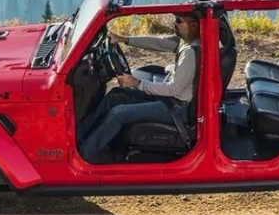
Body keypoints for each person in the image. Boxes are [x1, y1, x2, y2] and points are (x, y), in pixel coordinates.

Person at [78, 10, 202, 163]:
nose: (174, 24)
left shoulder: (191, 53)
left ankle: (84, 155)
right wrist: (124, 39)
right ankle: (80, 136)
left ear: (194, 25)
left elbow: (173, 89)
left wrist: (137, 83)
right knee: (116, 95)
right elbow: (158, 43)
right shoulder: (185, 42)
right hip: (170, 100)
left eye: (178, 21)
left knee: (118, 113)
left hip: (176, 108)